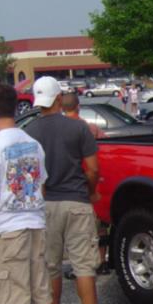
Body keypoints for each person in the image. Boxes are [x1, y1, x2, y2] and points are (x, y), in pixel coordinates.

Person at [24, 77, 120, 304]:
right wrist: (91, 191)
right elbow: (93, 169)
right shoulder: (78, 128)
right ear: (58, 98)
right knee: (83, 265)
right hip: (76, 199)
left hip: (45, 203)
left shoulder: (30, 131)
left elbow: (30, 174)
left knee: (50, 265)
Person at [0, 84, 54, 304]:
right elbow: (41, 184)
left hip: (9, 226)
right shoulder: (32, 143)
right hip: (35, 220)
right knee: (39, 288)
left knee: (16, 291)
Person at [61, 93, 110, 277]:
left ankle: (80, 267)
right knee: (100, 226)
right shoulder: (91, 128)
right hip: (93, 183)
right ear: (78, 106)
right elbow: (105, 149)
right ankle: (102, 261)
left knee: (78, 233)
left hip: (72, 186)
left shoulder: (60, 130)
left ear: (62, 108)